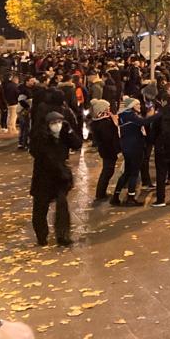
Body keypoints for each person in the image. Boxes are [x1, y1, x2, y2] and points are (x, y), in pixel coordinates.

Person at [30, 110, 82, 245]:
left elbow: (77, 144)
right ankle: (42, 237)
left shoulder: (64, 134)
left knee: (62, 207)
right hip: (44, 177)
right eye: (53, 123)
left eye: (59, 122)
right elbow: (40, 154)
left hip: (60, 178)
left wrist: (70, 131)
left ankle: (63, 236)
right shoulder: (40, 138)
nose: (57, 125)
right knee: (40, 208)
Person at [88, 99, 119, 201]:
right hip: (108, 150)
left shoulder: (101, 121)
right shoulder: (104, 123)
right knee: (107, 171)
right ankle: (100, 193)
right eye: (107, 108)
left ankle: (101, 192)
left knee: (108, 170)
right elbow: (108, 137)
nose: (109, 109)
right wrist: (115, 125)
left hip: (107, 150)